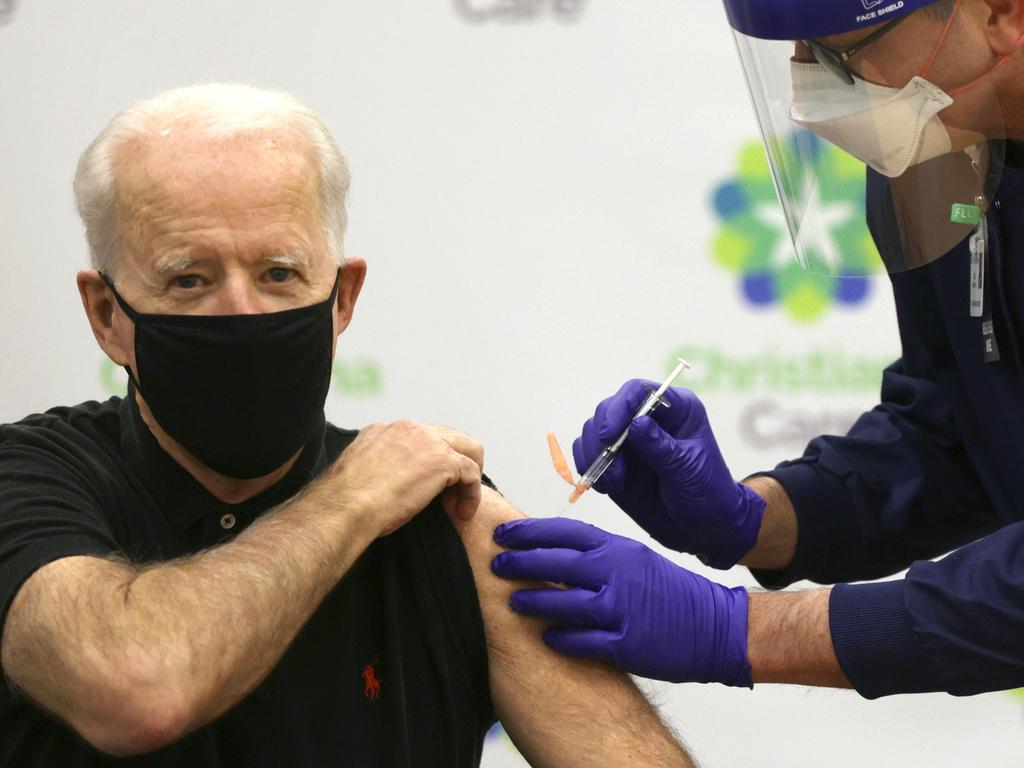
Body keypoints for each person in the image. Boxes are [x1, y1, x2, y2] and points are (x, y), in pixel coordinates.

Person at [0, 83, 693, 767]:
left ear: (342, 299)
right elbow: (132, 688)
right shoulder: (29, 482)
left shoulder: (437, 519)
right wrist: (352, 501)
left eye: (278, 273)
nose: (243, 314)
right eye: (189, 280)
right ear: (106, 316)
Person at [491, 0, 1024, 700]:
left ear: (1003, 15)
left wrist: (740, 631)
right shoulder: (946, 144)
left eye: (842, 50)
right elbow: (959, 433)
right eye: (796, 52)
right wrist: (760, 519)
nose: (812, 92)